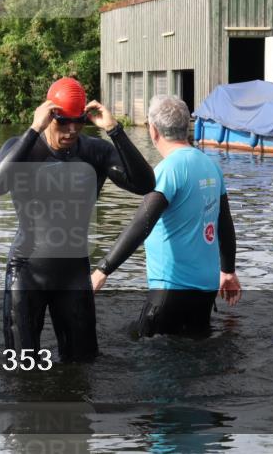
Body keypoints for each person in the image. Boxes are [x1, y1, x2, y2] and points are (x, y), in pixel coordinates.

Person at [0, 77, 155, 362]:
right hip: (27, 271)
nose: (72, 130)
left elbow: (144, 183)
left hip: (74, 272)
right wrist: (33, 130)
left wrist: (115, 131)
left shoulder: (94, 152)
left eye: (79, 122)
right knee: (21, 370)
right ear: (49, 115)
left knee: (83, 367)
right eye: (63, 122)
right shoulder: (23, 148)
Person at [91, 95, 241, 337]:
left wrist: (102, 270)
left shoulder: (166, 171)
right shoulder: (210, 165)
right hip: (206, 289)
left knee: (150, 359)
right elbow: (224, 223)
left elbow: (142, 223)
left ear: (153, 130)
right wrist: (228, 271)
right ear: (186, 126)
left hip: (171, 289)